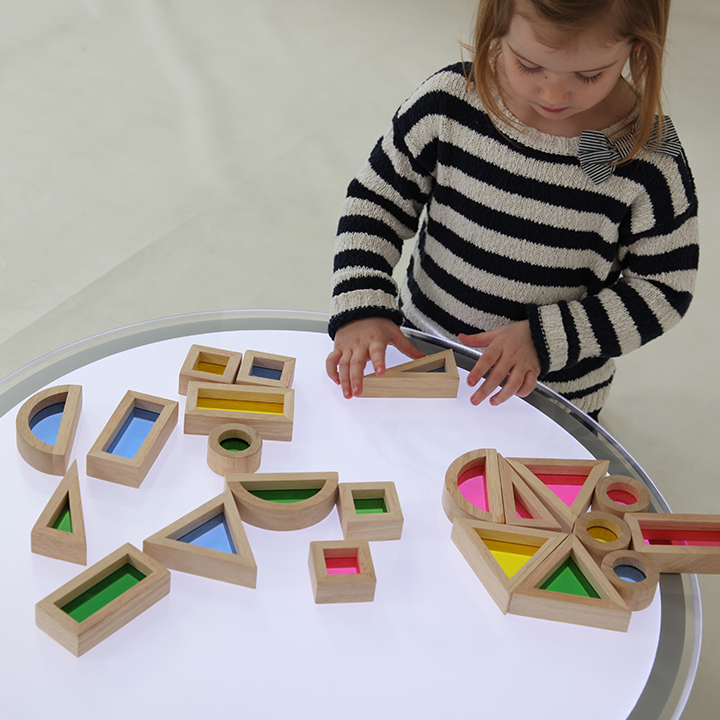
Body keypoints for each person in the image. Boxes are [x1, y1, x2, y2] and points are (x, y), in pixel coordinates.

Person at [325, 0, 699, 420]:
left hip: (549, 402)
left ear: (636, 47)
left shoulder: (649, 159)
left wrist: (546, 339)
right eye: (527, 64)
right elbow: (376, 201)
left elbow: (665, 289)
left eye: (590, 74)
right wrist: (364, 304)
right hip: (421, 362)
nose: (553, 94)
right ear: (497, 25)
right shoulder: (449, 102)